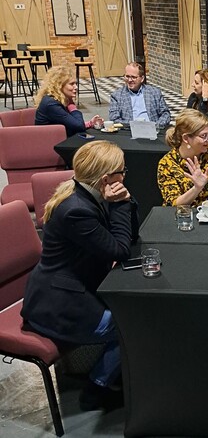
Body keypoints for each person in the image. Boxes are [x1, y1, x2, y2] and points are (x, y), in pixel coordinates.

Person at [21, 140, 139, 411]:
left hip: (74, 287)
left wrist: (125, 201)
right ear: (106, 178)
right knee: (133, 323)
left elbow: (129, 236)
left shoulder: (86, 193)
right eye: (122, 171)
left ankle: (115, 373)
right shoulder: (77, 210)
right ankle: (96, 389)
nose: (124, 176)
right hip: (57, 305)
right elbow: (120, 250)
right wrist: (121, 205)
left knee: (132, 311)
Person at [34, 66, 101, 136]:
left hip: (59, 136)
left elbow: (71, 123)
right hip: (51, 140)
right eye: (72, 84)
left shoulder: (59, 99)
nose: (76, 87)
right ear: (59, 86)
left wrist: (90, 123)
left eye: (76, 83)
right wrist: (72, 105)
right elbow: (79, 126)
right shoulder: (51, 104)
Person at [109, 62, 171, 128]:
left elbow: (165, 114)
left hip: (153, 129)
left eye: (133, 77)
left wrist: (157, 125)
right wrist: (133, 125)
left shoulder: (154, 92)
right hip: (130, 130)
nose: (129, 80)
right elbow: (114, 119)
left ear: (142, 78)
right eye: (127, 76)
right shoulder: (117, 96)